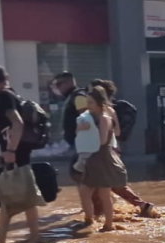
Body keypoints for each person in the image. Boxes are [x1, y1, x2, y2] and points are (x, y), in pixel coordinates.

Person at [0, 65, 41, 243]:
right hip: (18, 151)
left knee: (25, 196)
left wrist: (10, 151)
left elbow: (17, 123)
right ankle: (2, 237)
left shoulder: (2, 97)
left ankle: (33, 237)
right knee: (8, 194)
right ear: (7, 77)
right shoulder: (13, 93)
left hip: (15, 153)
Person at [88, 79, 155, 217]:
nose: (87, 94)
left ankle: (99, 217)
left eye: (90, 91)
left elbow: (100, 138)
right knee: (108, 184)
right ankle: (102, 213)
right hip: (113, 149)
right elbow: (118, 132)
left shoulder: (101, 113)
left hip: (102, 152)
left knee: (105, 184)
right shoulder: (111, 111)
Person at [77, 86, 128, 232]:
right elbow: (79, 134)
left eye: (91, 102)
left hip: (102, 157)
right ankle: (89, 220)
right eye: (88, 102)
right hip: (92, 157)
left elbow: (102, 140)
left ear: (100, 103)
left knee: (104, 194)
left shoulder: (105, 118)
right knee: (84, 191)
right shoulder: (88, 117)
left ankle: (109, 224)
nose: (89, 106)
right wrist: (81, 129)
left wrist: (89, 130)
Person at [52, 72, 90, 149]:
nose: (57, 88)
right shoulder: (71, 96)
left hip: (80, 142)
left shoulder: (78, 96)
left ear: (69, 82)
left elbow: (87, 120)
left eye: (58, 84)